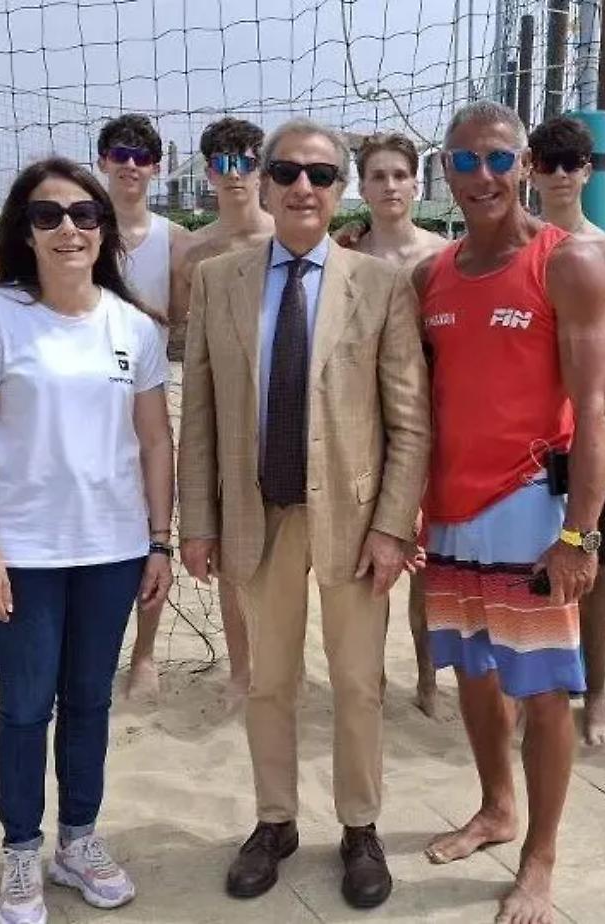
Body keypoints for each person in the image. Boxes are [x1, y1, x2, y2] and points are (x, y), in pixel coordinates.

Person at [177, 117, 430, 910]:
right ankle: (275, 821)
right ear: (264, 175)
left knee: (358, 685)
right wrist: (197, 523)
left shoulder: (380, 284)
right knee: (267, 684)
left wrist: (393, 526)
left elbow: (409, 419)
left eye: (321, 175)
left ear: (340, 187)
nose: (302, 188)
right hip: (257, 515)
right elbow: (202, 413)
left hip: (354, 525)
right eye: (288, 172)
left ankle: (359, 826)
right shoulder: (219, 279)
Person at [0, 157, 174, 924]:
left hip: (110, 550)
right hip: (24, 554)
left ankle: (78, 839)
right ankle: (21, 851)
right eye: (49, 216)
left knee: (88, 702)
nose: (68, 228)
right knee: (23, 707)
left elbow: (154, 443)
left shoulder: (132, 326)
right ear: (26, 229)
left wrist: (160, 542)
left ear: (104, 227)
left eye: (83, 214)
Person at [415, 101, 605, 924]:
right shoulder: (435, 274)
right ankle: (497, 808)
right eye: (464, 163)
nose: (483, 176)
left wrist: (580, 534)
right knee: (473, 672)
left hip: (530, 507)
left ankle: (540, 855)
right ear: (447, 174)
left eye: (498, 159)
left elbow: (596, 408)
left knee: (542, 692)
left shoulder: (567, 264)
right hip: (450, 512)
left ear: (526, 163)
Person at [528, 115, 605, 747]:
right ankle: (530, 691)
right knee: (525, 566)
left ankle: (594, 696)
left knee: (594, 566)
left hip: (587, 436)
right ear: (531, 170)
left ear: (588, 171)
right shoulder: (515, 245)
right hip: (527, 438)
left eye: (572, 163)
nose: (561, 174)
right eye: (549, 162)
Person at [335, 131, 447, 717]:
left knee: (424, 562)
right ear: (363, 184)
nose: (390, 186)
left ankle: (427, 678)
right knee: (369, 560)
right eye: (377, 176)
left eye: (399, 175)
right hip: (365, 423)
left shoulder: (442, 255)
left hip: (433, 419)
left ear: (416, 181)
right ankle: (369, 678)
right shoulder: (346, 256)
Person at [169, 116, 274, 709]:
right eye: (223, 164)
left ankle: (279, 667)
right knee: (235, 558)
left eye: (247, 162)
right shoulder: (194, 253)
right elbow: (188, 343)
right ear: (208, 172)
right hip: (228, 411)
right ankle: (240, 672)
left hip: (286, 407)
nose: (236, 176)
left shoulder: (290, 236)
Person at [94, 112, 191, 702]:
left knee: (155, 521)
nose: (131, 165)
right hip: (82, 395)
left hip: (146, 393)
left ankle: (146, 654)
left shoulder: (174, 238)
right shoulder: (77, 224)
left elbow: (178, 320)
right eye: (121, 154)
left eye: (143, 157)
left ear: (156, 168)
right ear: (103, 160)